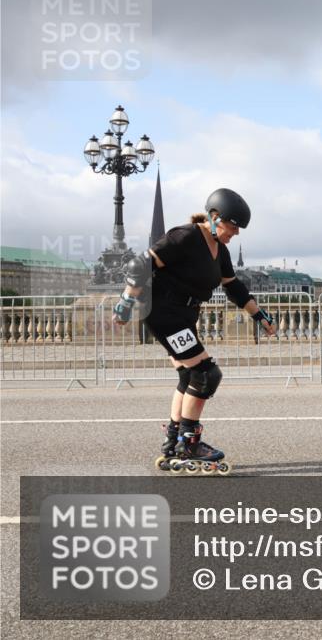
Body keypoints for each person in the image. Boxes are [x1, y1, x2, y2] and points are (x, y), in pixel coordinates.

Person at [112, 188, 277, 474]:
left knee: (189, 374)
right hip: (164, 313)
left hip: (184, 315)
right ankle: (190, 442)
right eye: (233, 226)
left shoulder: (220, 251)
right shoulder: (186, 236)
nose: (236, 233)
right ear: (215, 218)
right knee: (206, 373)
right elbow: (140, 263)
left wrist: (259, 316)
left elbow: (234, 287)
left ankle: (174, 439)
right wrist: (126, 301)